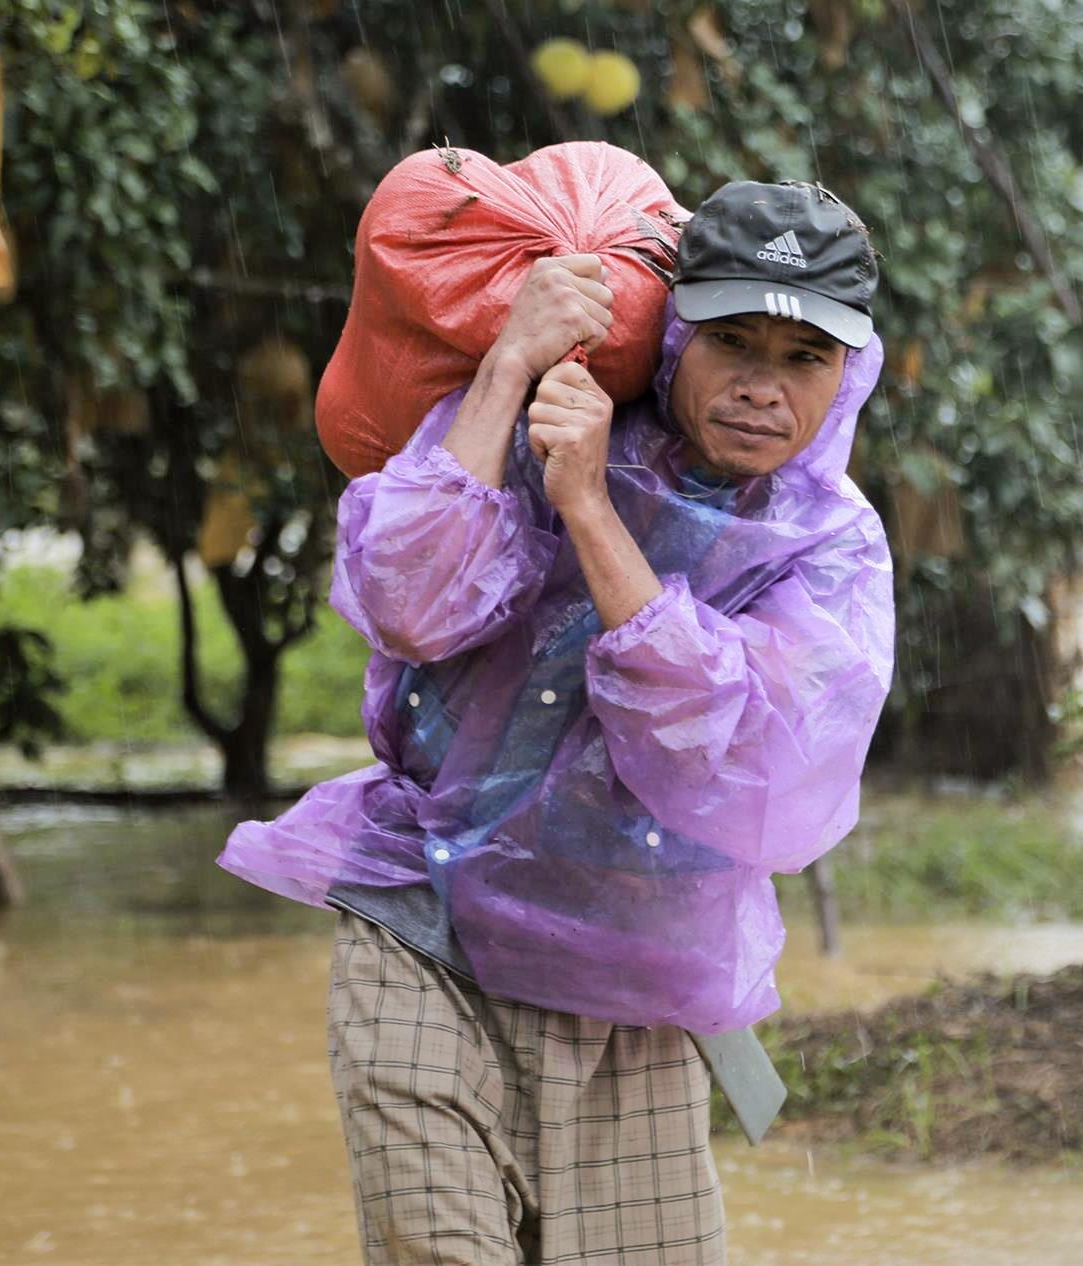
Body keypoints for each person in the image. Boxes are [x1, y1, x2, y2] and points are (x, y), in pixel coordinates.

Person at [220, 180, 893, 1265]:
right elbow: (405, 603)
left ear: (845, 373)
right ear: (674, 337)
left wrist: (587, 508)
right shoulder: (554, 410)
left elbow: (745, 756)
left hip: (633, 981)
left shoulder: (828, 546)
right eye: (733, 343)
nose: (763, 389)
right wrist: (507, 365)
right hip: (423, 921)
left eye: (803, 359)